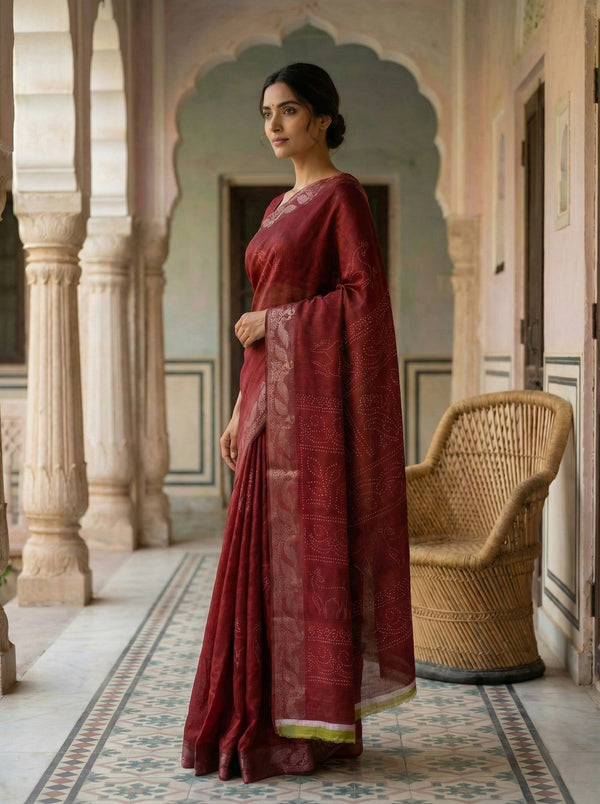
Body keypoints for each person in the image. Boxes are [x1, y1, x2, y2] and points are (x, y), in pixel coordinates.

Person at [181, 62, 415, 784]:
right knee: (258, 568)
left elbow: (362, 304)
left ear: (321, 117)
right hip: (265, 409)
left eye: (286, 111)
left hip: (310, 420)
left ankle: (304, 729)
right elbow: (263, 321)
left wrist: (273, 325)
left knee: (305, 566)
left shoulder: (341, 198)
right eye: (265, 113)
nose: (273, 126)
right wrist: (238, 407)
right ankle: (253, 717)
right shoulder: (278, 209)